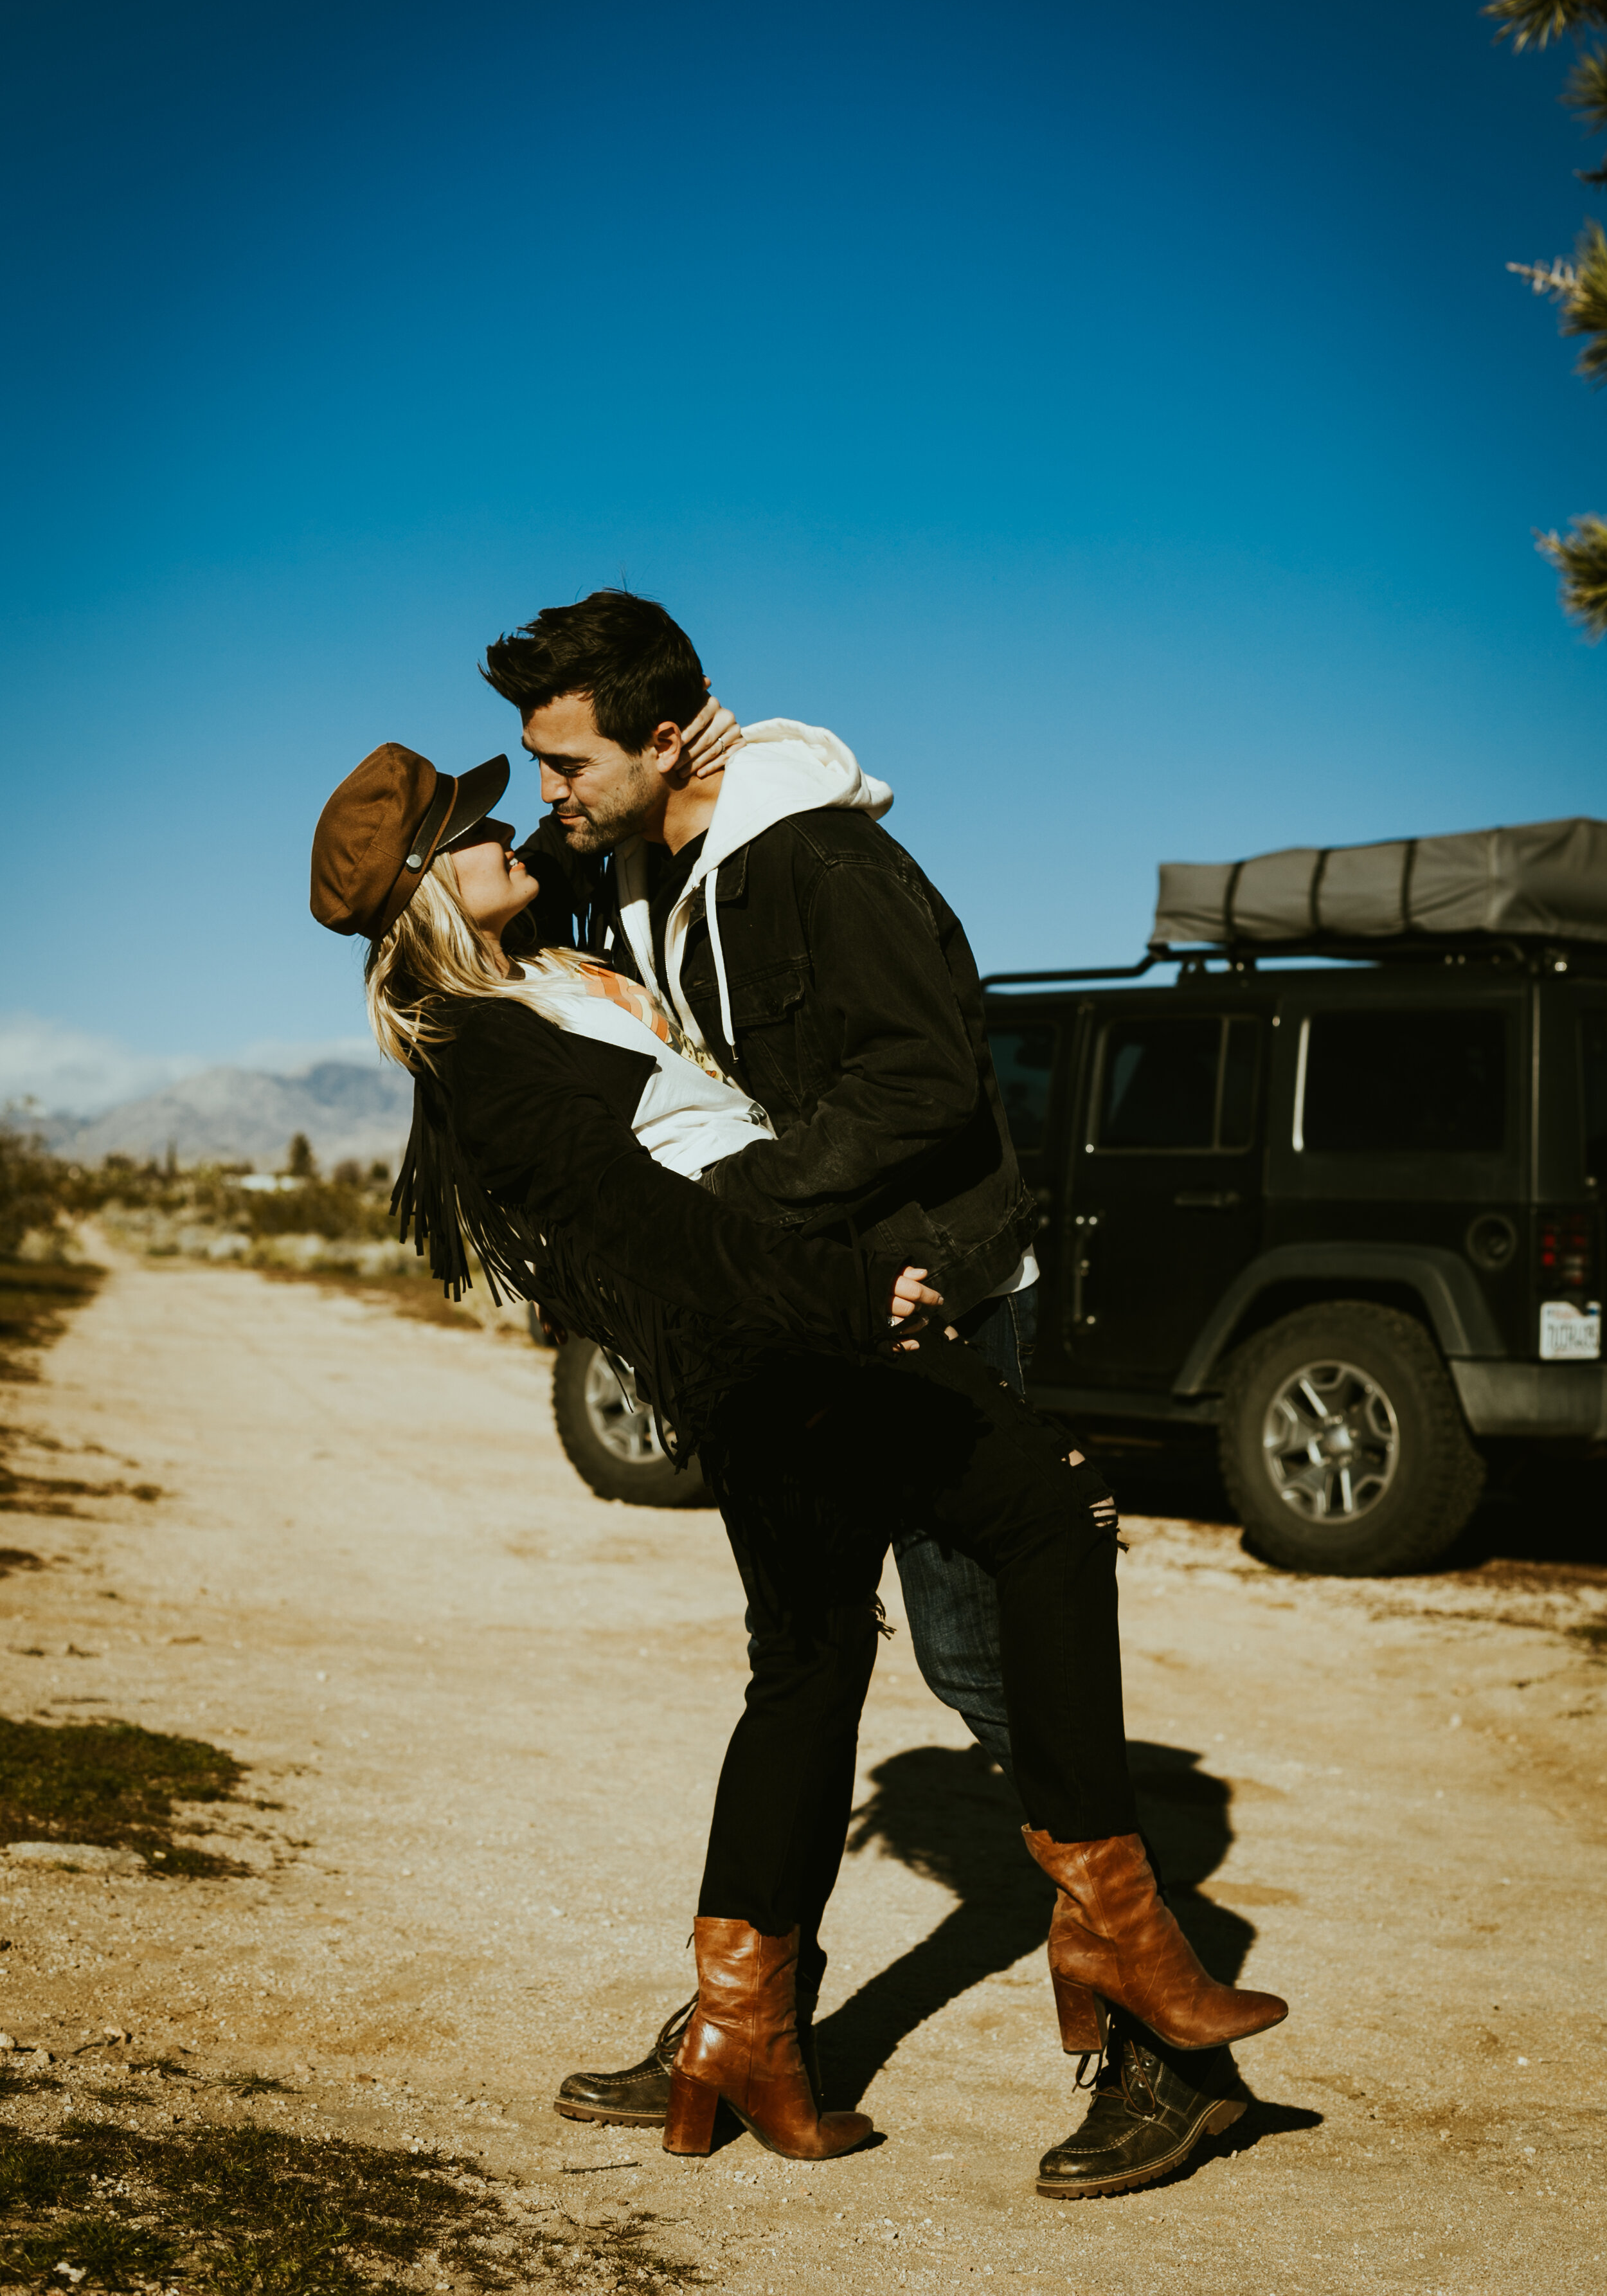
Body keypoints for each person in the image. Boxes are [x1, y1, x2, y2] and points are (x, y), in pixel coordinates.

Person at [309, 732, 1289, 2187]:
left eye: (533, 784)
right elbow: (641, 1229)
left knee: (812, 1658)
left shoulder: (541, 967)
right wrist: (836, 1298)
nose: (520, 822)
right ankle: (1128, 1958)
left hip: (775, 1330)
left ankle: (740, 2028)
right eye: (476, 826)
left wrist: (712, 744)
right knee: (1049, 1520)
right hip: (785, 1334)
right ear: (424, 897)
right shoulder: (483, 1039)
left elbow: (694, 787)